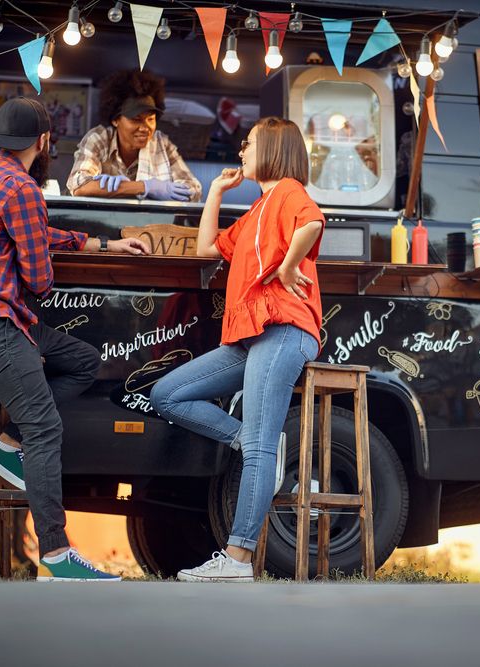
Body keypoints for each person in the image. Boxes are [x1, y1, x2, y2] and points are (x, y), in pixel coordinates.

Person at [0, 97, 150, 582]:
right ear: (43, 141)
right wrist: (46, 258)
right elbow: (38, 280)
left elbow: (35, 233)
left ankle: (6, 445)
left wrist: (100, 243)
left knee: (82, 358)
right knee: (47, 427)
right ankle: (56, 556)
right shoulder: (22, 187)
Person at [149, 117, 325, 582]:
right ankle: (251, 441)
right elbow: (207, 248)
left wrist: (288, 266)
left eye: (247, 145)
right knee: (168, 394)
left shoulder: (288, 190)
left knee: (260, 450)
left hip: (284, 329)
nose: (241, 152)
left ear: (270, 147)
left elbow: (312, 221)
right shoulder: (256, 209)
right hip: (252, 336)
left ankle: (238, 559)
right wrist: (215, 194)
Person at [66, 69, 202, 202]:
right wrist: (145, 187)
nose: (145, 128)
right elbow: (79, 186)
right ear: (115, 120)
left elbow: (194, 190)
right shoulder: (99, 139)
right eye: (136, 119)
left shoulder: (162, 145)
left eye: (150, 119)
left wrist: (167, 190)